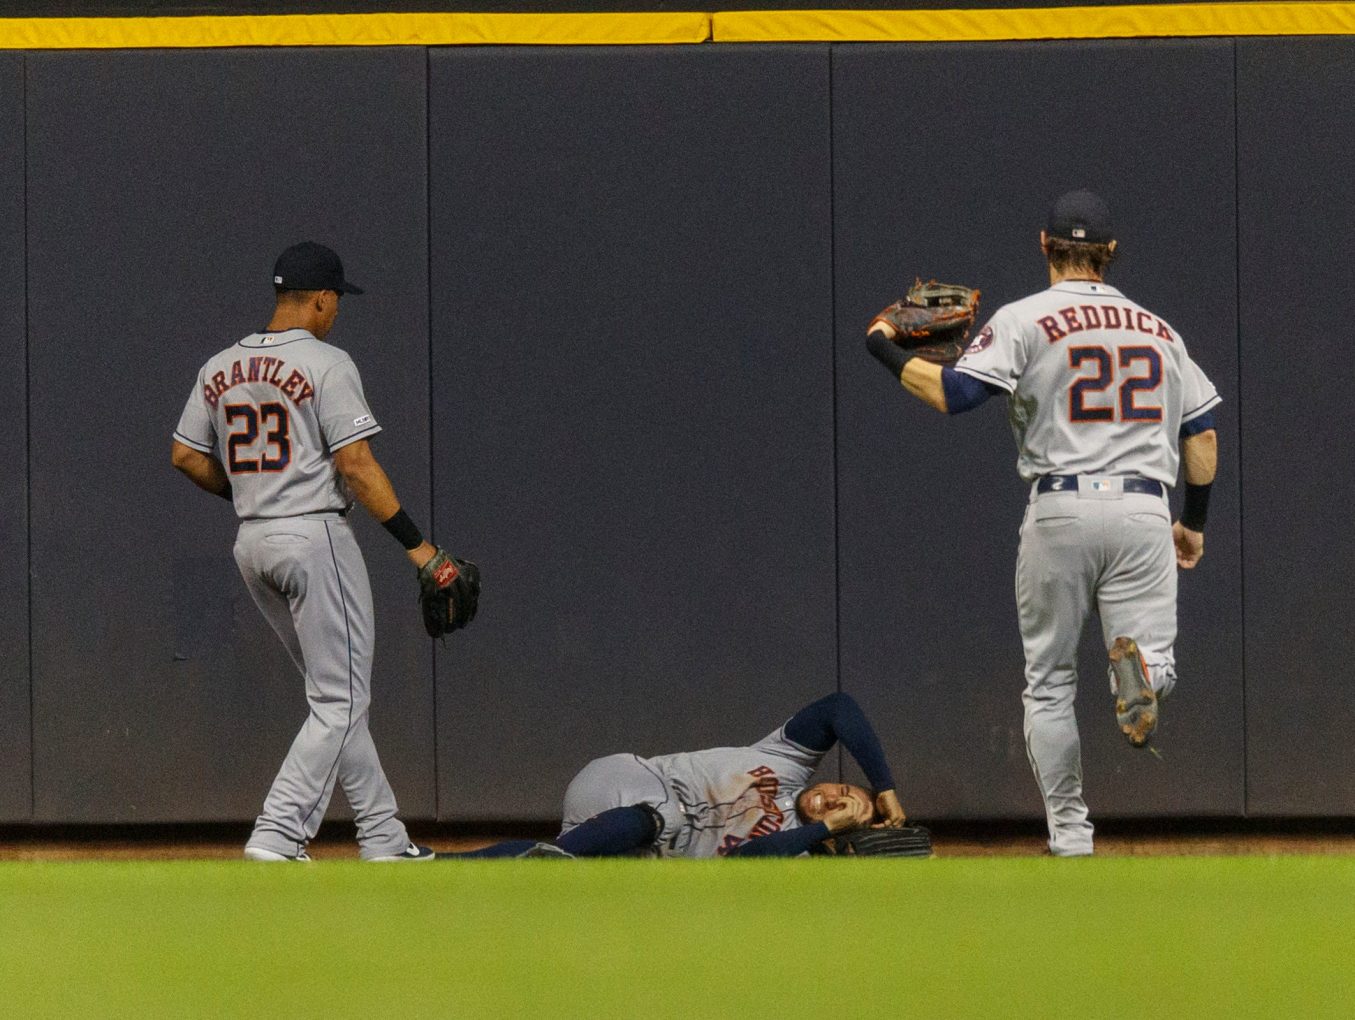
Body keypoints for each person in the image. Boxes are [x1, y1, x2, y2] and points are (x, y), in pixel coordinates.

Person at [865, 191, 1220, 857]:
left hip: (1059, 506)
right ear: (1109, 253)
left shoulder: (1026, 319)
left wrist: (880, 344)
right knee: (1155, 660)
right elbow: (1200, 440)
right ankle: (1145, 671)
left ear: (1042, 245)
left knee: (1050, 682)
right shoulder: (1160, 330)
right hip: (1144, 507)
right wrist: (1191, 525)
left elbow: (952, 394)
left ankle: (1070, 836)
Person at [171, 241, 468, 862]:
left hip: (254, 542)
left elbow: (185, 455)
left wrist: (252, 491)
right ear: (323, 301)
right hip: (313, 536)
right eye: (337, 304)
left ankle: (384, 836)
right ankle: (278, 834)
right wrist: (423, 552)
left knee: (333, 696)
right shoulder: (327, 363)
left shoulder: (219, 365)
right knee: (342, 699)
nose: (337, 315)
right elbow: (356, 466)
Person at [444, 691, 906, 859]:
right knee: (672, 816)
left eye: (846, 808)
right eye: (841, 789)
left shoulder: (794, 850)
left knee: (594, 865)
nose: (832, 799)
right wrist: (882, 789)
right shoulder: (790, 760)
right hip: (628, 780)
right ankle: (560, 856)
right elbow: (838, 707)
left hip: (629, 841)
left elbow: (749, 860)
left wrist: (824, 832)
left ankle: (441, 864)